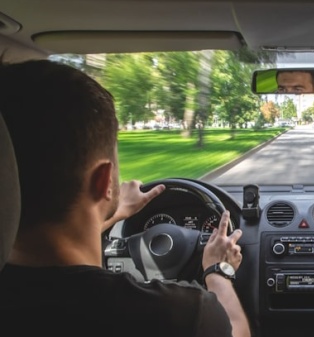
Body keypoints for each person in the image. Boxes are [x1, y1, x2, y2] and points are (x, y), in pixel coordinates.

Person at [0, 59, 251, 337]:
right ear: (105, 180)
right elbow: (236, 331)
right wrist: (218, 269)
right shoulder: (180, 314)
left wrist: (114, 212)